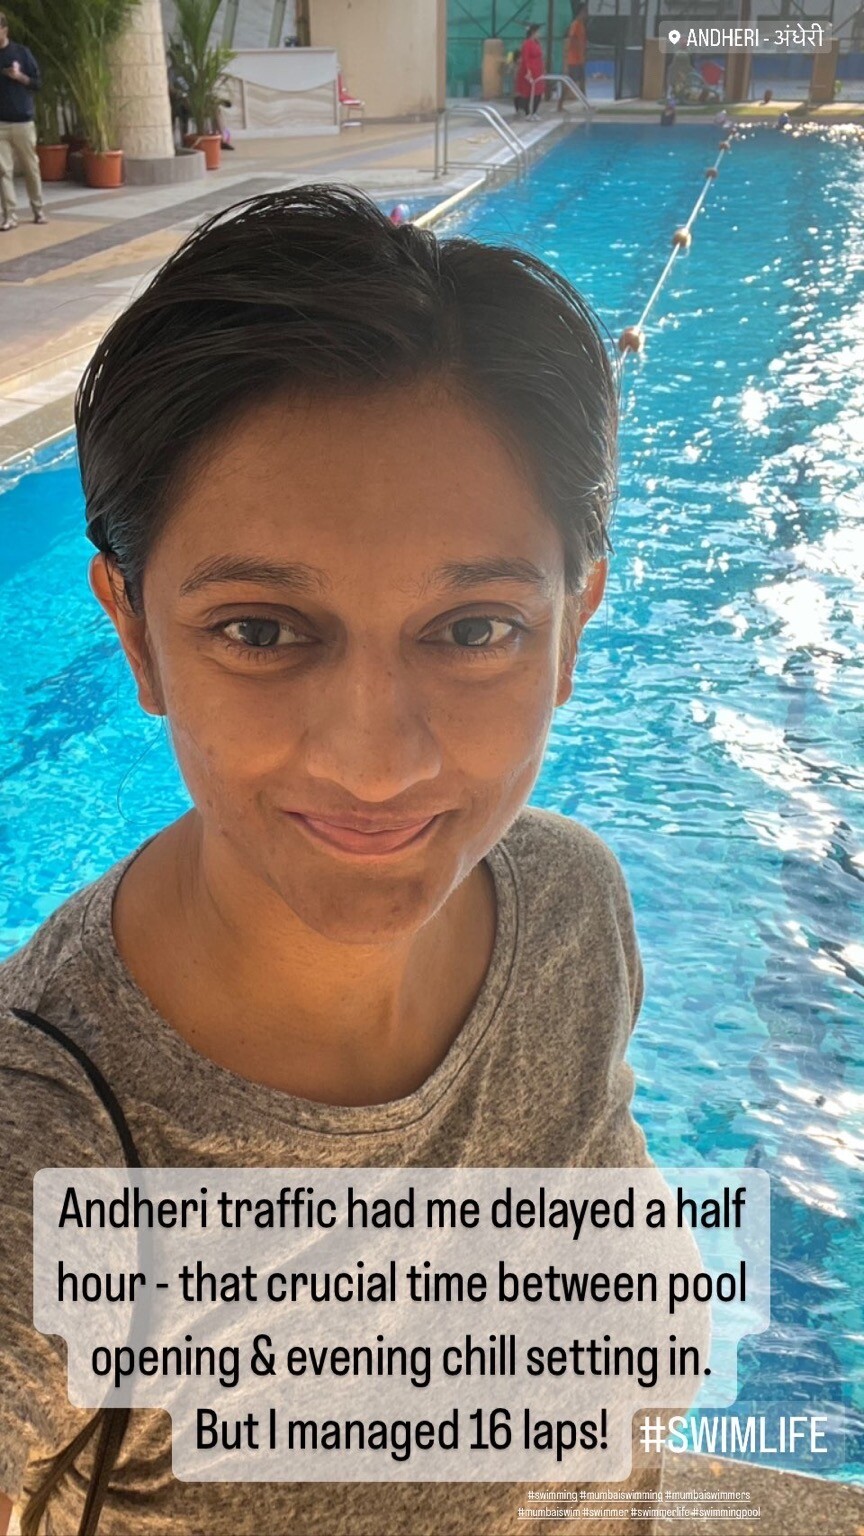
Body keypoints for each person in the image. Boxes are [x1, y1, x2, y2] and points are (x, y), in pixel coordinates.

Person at [0, 186, 673, 1535]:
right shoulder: (47, 1156)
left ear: (573, 623)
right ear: (133, 633)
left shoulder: (566, 901)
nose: (376, 762)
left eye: (473, 629)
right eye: (260, 630)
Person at [0, 10, 45, 232]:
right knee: (3, 171)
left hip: (23, 122)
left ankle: (38, 209)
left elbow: (37, 83)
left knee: (31, 168)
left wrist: (19, 77)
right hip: (0, 123)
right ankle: (10, 215)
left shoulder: (21, 53)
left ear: (4, 30)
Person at [514, 22, 544, 115]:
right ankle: (527, 112)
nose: (539, 34)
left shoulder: (537, 43)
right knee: (527, 92)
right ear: (533, 32)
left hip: (538, 70)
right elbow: (525, 58)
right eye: (538, 32)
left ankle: (534, 112)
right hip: (530, 70)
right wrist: (528, 71)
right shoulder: (527, 43)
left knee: (538, 92)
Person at [566, 3, 588, 98]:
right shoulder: (576, 24)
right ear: (580, 12)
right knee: (572, 80)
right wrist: (578, 48)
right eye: (585, 11)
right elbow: (572, 38)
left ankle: (583, 98)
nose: (586, 14)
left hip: (580, 58)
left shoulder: (581, 25)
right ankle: (564, 100)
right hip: (574, 59)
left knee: (582, 79)